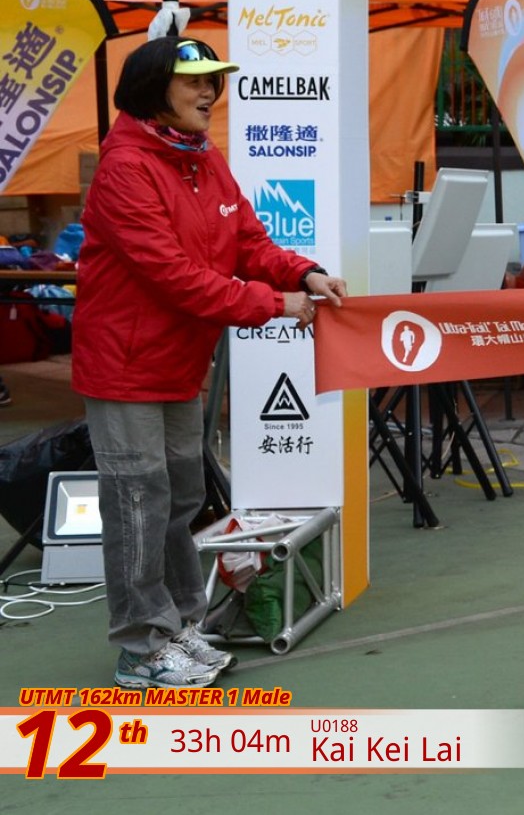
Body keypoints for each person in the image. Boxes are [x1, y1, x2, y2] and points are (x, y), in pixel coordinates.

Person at [72, 35, 346, 690]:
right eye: (193, 80)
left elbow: (247, 239)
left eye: (212, 81)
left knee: (180, 497)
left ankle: (180, 625)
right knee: (138, 503)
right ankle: (141, 648)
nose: (209, 92)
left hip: (177, 362)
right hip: (124, 366)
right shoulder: (125, 168)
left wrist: (303, 272)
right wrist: (273, 302)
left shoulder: (202, 157)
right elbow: (174, 275)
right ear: (152, 89)